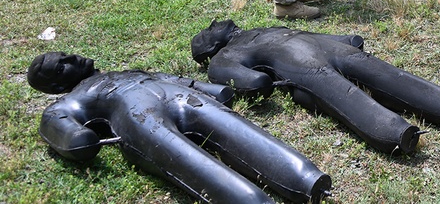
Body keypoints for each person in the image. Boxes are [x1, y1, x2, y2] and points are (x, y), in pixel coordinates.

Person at [27, 51, 331, 204]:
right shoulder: (76, 98)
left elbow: (172, 79)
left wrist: (208, 89)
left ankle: (304, 177)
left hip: (178, 96)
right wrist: (75, 136)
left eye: (66, 54)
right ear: (56, 83)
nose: (73, 57)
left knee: (232, 126)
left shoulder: (126, 70)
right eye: (62, 64)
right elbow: (56, 121)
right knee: (183, 155)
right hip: (135, 115)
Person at [191, 20, 440, 155]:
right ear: (210, 47)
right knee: (343, 94)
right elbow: (255, 83)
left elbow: (307, 34)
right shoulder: (223, 57)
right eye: (209, 29)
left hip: (325, 49)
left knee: (388, 74)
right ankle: (398, 133)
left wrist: (343, 39)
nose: (218, 22)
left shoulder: (260, 30)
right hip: (304, 68)